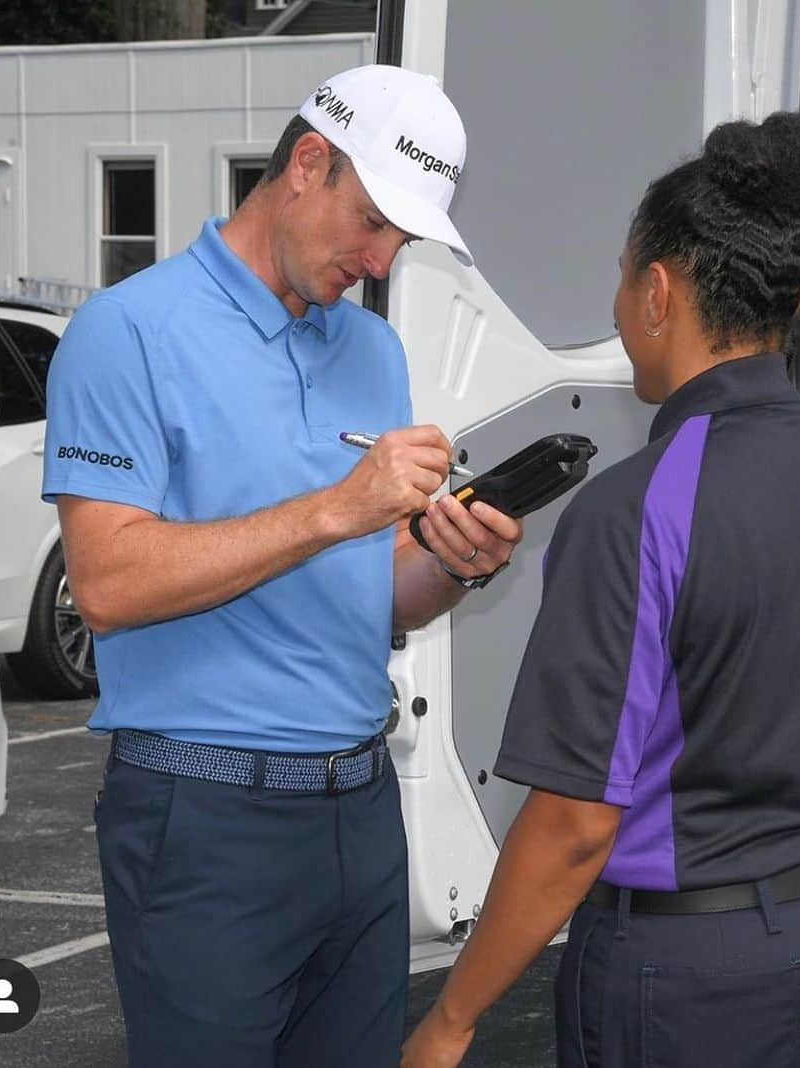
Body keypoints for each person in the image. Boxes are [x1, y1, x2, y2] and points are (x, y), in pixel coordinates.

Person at [403, 112, 800, 1068]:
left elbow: (573, 825)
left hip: (708, 974)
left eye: (620, 276)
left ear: (658, 291)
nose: (615, 306)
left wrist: (452, 1021)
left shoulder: (635, 509)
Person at [42, 64, 521, 1067]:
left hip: (360, 805)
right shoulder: (127, 331)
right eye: (374, 220)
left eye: (404, 238)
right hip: (205, 819)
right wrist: (335, 509)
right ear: (308, 164)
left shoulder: (373, 352)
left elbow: (379, 586)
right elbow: (108, 585)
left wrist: (451, 561)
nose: (382, 258)